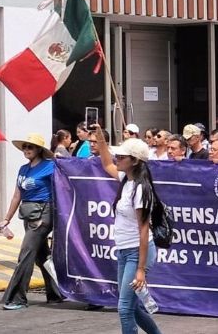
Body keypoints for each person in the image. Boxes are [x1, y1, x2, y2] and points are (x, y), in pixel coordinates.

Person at [93, 126, 163, 334]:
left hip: (137, 252)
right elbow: (106, 162)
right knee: (132, 308)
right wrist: (101, 138)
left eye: (122, 157)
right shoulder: (126, 181)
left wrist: (140, 269)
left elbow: (143, 229)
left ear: (134, 161)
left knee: (124, 308)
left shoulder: (141, 188)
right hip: (125, 251)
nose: (117, 159)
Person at [0, 134, 63, 310]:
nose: (27, 150)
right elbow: (16, 195)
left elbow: (67, 177)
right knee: (41, 256)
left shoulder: (50, 166)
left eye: (31, 147)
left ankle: (17, 297)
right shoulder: (23, 169)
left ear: (39, 150)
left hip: (44, 214)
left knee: (26, 254)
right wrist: (6, 219)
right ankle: (56, 293)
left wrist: (62, 160)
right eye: (25, 147)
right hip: (28, 214)